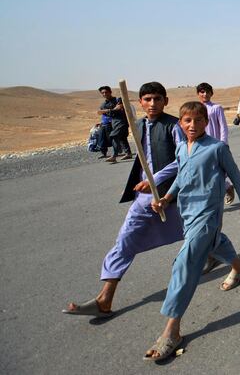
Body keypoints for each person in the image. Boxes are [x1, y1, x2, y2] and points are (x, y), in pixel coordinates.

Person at [64, 82, 184, 318]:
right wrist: (146, 184)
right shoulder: (137, 125)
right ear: (140, 102)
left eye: (157, 99)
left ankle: (225, 258)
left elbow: (183, 160)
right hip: (144, 197)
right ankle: (105, 298)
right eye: (147, 99)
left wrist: (156, 179)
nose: (152, 104)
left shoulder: (174, 126)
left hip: (172, 195)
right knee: (125, 239)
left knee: (198, 234)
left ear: (166, 101)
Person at [144, 101, 240, 361]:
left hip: (208, 211)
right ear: (180, 123)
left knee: (186, 262)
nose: (192, 126)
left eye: (198, 120)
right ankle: (238, 265)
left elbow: (235, 174)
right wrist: (167, 197)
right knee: (213, 242)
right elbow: (182, 176)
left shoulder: (217, 148)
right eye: (187, 121)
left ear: (206, 121)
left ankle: (172, 330)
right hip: (188, 211)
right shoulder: (182, 148)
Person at [196, 83, 236, 205]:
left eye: (207, 92)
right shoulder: (196, 109)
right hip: (201, 145)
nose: (205, 94)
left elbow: (223, 127)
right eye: (202, 92)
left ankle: (224, 189)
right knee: (204, 172)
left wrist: (223, 143)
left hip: (216, 144)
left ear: (211, 93)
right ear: (198, 94)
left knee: (217, 171)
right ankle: (227, 187)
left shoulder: (216, 108)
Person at [98, 86, 132, 163]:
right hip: (114, 122)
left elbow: (119, 107)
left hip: (122, 121)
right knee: (122, 138)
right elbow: (105, 114)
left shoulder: (118, 99)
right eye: (103, 93)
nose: (104, 94)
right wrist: (111, 111)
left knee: (114, 136)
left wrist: (107, 110)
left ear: (110, 92)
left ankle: (114, 156)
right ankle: (128, 153)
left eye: (106, 92)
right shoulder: (103, 105)